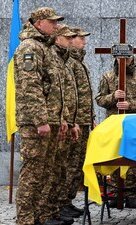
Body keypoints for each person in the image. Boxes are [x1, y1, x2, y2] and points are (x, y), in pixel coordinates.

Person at [13, 7, 70, 225]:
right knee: (33, 172)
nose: (56, 25)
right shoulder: (30, 47)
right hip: (35, 122)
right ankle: (26, 219)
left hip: (51, 120)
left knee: (46, 172)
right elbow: (31, 86)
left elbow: (56, 89)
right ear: (38, 23)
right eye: (51, 21)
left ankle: (41, 216)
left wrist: (61, 119)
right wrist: (41, 120)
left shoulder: (46, 48)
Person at [95, 56, 136, 208]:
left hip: (134, 123)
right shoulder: (107, 76)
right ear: (114, 57)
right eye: (121, 58)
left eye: (127, 58)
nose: (124, 60)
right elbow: (99, 99)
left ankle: (131, 193)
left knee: (132, 157)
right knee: (115, 156)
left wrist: (131, 104)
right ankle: (115, 193)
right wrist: (113, 97)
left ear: (133, 57)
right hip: (114, 124)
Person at [58, 26, 95, 218]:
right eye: (81, 38)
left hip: (83, 121)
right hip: (75, 122)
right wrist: (73, 121)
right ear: (71, 40)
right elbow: (68, 96)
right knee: (69, 164)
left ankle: (68, 200)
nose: (84, 41)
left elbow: (84, 95)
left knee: (77, 163)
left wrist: (92, 118)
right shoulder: (68, 62)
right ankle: (61, 202)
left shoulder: (79, 62)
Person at [48, 24, 79, 224]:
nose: (73, 41)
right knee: (55, 168)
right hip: (54, 122)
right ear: (57, 38)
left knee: (65, 167)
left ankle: (59, 206)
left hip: (68, 121)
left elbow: (72, 95)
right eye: (68, 38)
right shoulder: (53, 58)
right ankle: (50, 210)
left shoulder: (68, 61)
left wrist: (72, 120)